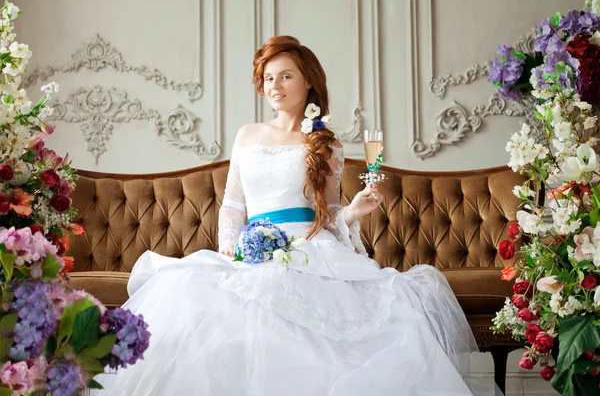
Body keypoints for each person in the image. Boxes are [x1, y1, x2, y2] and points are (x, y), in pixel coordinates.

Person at [96, 35, 499, 395]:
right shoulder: (248, 134)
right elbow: (234, 205)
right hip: (252, 250)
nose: (275, 86)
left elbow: (330, 214)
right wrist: (231, 254)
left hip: (310, 246)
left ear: (308, 81)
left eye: (285, 76)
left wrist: (354, 211)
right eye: (269, 78)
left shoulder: (325, 143)